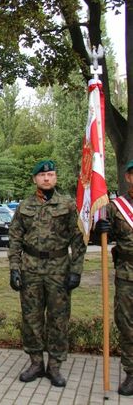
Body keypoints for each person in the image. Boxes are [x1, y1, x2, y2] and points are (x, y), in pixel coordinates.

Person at [8, 160, 86, 387]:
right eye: (42, 176)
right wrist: (14, 268)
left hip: (59, 269)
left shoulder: (68, 205)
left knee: (58, 319)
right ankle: (35, 363)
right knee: (31, 318)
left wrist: (76, 271)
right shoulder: (24, 207)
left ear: (56, 178)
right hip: (30, 269)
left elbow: (78, 240)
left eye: (51, 175)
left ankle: (54, 366)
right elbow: (14, 239)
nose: (46, 179)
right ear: (35, 179)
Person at [95, 159, 133, 396]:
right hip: (127, 274)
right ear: (128, 177)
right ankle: (131, 372)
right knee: (127, 325)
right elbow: (94, 227)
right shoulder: (116, 207)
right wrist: (100, 228)